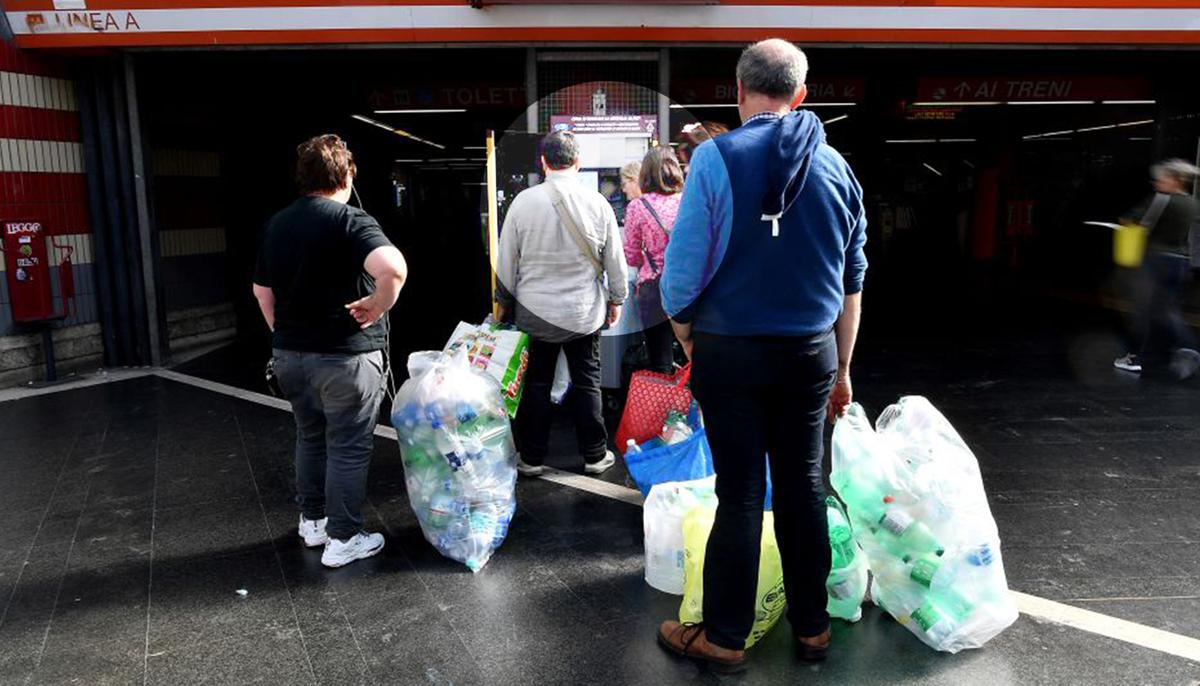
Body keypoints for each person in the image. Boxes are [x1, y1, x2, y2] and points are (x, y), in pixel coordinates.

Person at [655, 39, 867, 672]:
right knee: (804, 486)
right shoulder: (838, 169)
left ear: (739, 90)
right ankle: (813, 630)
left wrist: (689, 337)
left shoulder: (715, 160)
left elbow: (679, 278)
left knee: (742, 493)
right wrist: (844, 369)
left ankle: (723, 638)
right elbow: (850, 283)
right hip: (811, 355)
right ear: (801, 95)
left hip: (731, 353)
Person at [253, 134, 408, 568]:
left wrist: (284, 334)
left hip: (290, 357)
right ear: (346, 175)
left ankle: (314, 521)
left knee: (310, 434)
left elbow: (261, 291)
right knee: (348, 445)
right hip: (345, 359)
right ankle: (344, 538)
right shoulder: (352, 221)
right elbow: (392, 268)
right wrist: (379, 304)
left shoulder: (277, 223)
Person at [494, 131, 630, 477]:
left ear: (543, 163)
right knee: (587, 382)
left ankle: (533, 458)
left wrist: (503, 303)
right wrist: (616, 299)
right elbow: (615, 259)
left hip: (536, 312)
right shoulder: (597, 203)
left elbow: (507, 260)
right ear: (577, 162)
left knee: (536, 385)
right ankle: (595, 455)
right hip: (583, 313)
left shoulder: (523, 203)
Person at [1114, 159, 1200, 380]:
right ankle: (1189, 347)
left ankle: (1132, 358)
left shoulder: (1160, 200)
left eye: (1161, 179)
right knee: (1168, 310)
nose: (1156, 183)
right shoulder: (1193, 204)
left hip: (1155, 261)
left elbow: (1127, 220)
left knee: (1140, 310)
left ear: (1175, 180)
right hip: (1180, 263)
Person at [623, 146, 686, 373]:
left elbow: (630, 254)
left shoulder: (638, 207)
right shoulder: (688, 200)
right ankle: (693, 405)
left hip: (653, 288)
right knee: (693, 352)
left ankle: (663, 405)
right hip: (687, 284)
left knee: (660, 358)